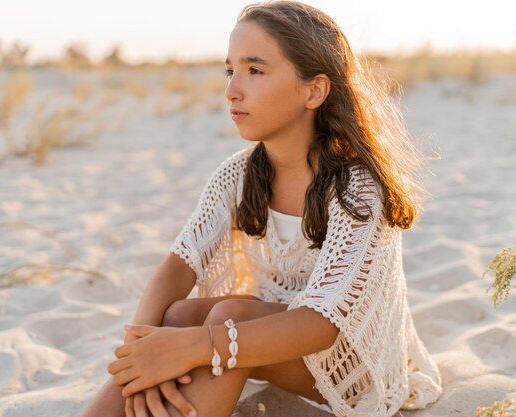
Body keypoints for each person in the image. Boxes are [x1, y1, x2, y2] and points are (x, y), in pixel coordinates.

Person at [79, 1, 443, 416]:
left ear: (314, 91)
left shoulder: (355, 189)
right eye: (229, 70)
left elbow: (322, 325)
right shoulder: (236, 175)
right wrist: (141, 350)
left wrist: (192, 347)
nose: (232, 88)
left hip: (352, 365)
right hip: (265, 338)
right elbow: (179, 265)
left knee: (229, 315)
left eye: (255, 70)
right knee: (177, 315)